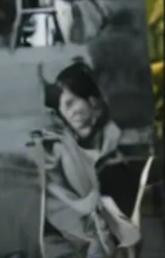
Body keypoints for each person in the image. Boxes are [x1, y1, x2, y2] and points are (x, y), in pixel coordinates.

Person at [30, 60, 151, 258]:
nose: (68, 113)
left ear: (93, 101)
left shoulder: (124, 147)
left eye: (70, 102)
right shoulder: (61, 155)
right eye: (62, 107)